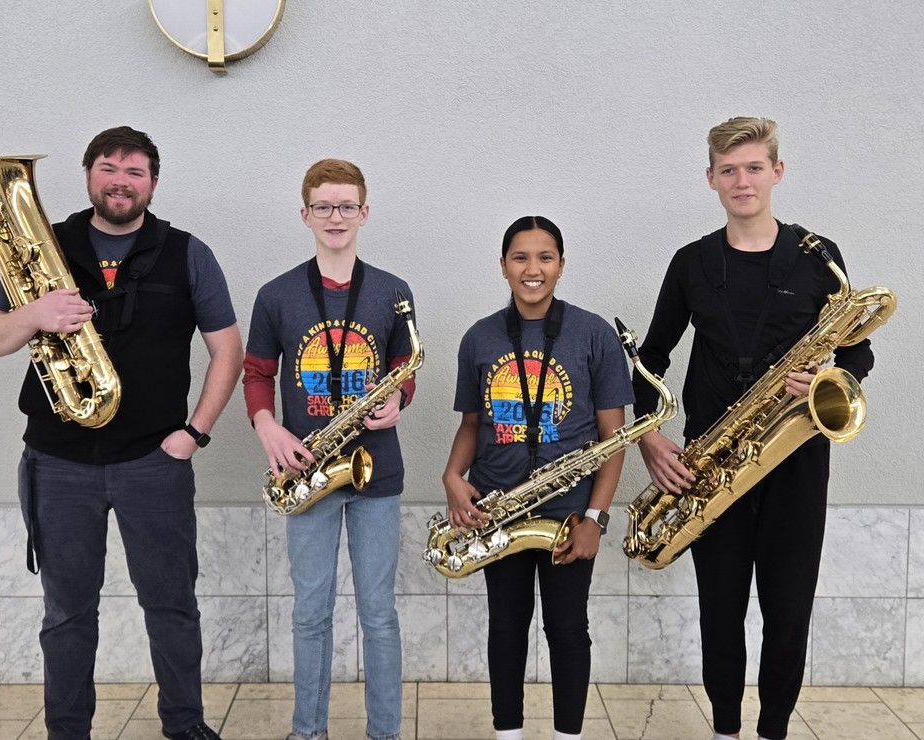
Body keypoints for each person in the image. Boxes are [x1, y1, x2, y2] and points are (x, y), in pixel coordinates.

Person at [0, 126, 243, 740]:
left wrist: (193, 435)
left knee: (171, 607)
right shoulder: (44, 247)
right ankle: (68, 733)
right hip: (59, 463)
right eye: (108, 167)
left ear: (152, 182)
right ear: (90, 174)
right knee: (67, 613)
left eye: (136, 171)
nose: (121, 180)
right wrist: (34, 313)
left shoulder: (188, 253)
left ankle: (184, 726)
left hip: (154, 460)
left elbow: (228, 350)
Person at [633, 117, 875, 740]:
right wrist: (649, 435)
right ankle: (725, 729)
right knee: (720, 611)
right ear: (711, 178)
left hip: (796, 459)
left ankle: (773, 729)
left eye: (755, 167)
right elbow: (649, 360)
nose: (743, 180)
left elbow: (859, 355)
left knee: (789, 612)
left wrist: (829, 373)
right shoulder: (691, 263)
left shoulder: (819, 257)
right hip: (713, 463)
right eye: (729, 170)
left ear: (778, 172)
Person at [242, 159, 416, 740]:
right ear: (305, 214)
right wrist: (267, 426)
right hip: (309, 471)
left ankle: (385, 733)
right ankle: (306, 732)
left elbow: (403, 368)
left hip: (376, 474)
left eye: (346, 206)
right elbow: (257, 373)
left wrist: (400, 401)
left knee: (379, 614)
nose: (335, 217)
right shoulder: (276, 295)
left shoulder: (393, 293)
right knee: (310, 614)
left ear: (365, 213)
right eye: (323, 206)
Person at [442, 216, 634, 740]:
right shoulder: (479, 337)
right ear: (503, 267)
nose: (533, 269)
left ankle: (567, 737)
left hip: (568, 513)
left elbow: (614, 441)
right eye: (520, 258)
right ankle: (509, 735)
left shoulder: (593, 333)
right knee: (505, 629)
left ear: (562, 265)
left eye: (545, 257)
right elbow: (471, 425)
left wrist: (594, 517)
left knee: (568, 630)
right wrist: (452, 475)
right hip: (497, 511)